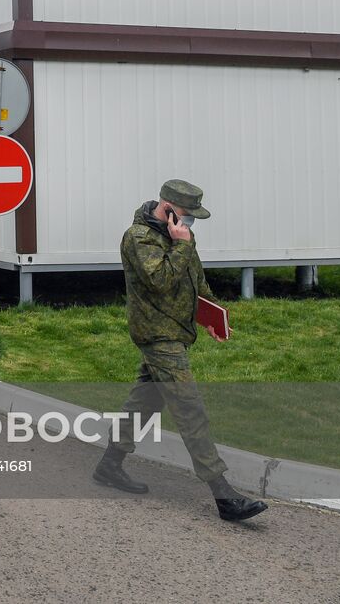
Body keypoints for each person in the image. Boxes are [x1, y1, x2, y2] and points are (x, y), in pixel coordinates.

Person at [92, 179, 267, 522]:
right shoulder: (138, 237)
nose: (190, 223)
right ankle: (224, 495)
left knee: (145, 401)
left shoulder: (182, 238)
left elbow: (195, 279)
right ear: (168, 208)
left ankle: (109, 465)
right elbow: (160, 281)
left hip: (177, 331)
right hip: (157, 334)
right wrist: (181, 245)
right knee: (189, 408)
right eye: (187, 214)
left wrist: (213, 316)